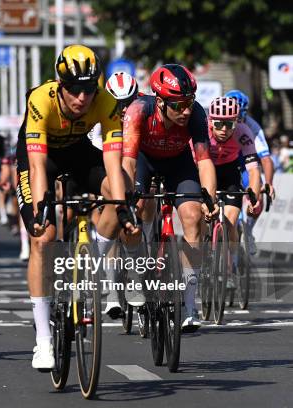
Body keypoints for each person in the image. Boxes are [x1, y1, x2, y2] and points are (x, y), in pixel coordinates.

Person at [16, 45, 137, 370]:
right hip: (40, 157)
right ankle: (43, 340)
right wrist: (42, 207)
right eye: (74, 89)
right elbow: (38, 166)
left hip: (79, 151)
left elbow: (112, 162)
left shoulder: (107, 102)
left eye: (88, 88)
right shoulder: (41, 100)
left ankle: (94, 258)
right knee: (43, 238)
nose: (82, 98)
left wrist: (123, 205)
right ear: (60, 85)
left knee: (121, 190)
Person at [122, 64, 219, 333]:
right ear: (161, 101)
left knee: (193, 216)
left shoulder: (196, 114)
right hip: (144, 160)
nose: (186, 110)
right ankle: (134, 272)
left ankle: (189, 303)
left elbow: (204, 161)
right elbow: (128, 162)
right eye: (178, 105)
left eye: (189, 102)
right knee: (135, 210)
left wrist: (209, 199)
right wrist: (127, 202)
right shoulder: (138, 110)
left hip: (178, 163)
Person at [204, 96, 261, 288]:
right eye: (218, 124)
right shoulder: (200, 130)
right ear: (210, 121)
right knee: (199, 214)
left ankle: (232, 265)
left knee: (229, 222)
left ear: (237, 122)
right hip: (203, 170)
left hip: (229, 173)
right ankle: (204, 249)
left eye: (229, 124)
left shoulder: (243, 133)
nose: (223, 130)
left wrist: (254, 197)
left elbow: (253, 170)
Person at [225, 90, 276, 255]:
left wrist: (268, 183)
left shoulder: (253, 126)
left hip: (246, 163)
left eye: (240, 114)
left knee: (257, 195)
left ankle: (248, 230)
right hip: (226, 163)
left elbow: (266, 159)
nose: (236, 119)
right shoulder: (219, 122)